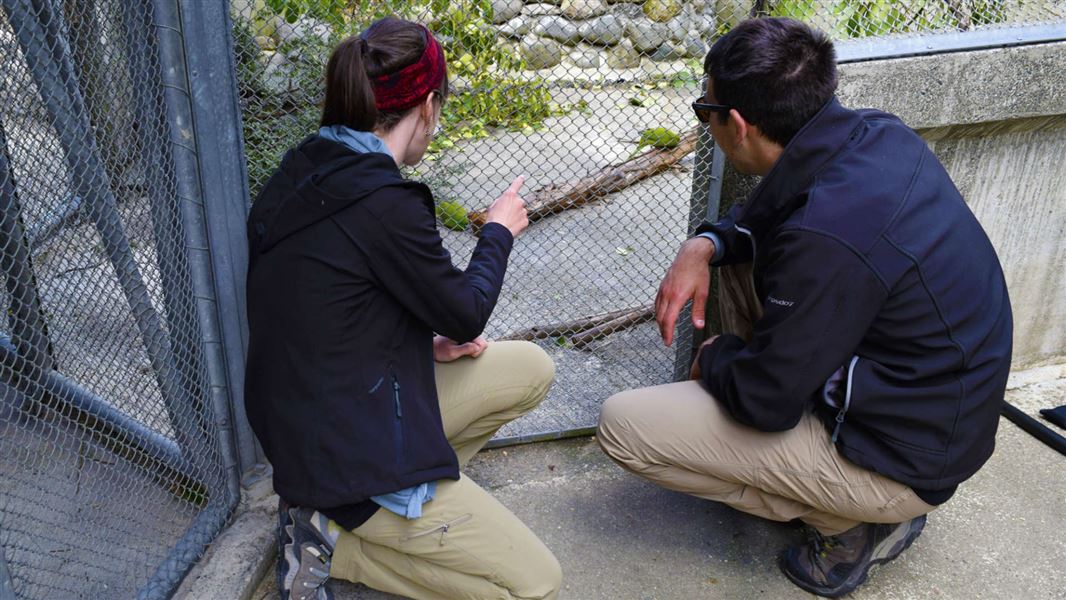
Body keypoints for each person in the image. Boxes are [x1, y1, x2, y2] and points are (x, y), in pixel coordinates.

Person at [597, 17, 1013, 599]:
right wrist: (705, 243)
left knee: (626, 426)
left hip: (904, 455)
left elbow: (765, 402)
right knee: (738, 259)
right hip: (931, 399)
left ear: (737, 125)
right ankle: (831, 483)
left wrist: (719, 358)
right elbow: (764, 215)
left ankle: (851, 526)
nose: (706, 120)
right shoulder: (874, 134)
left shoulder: (828, 237)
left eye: (704, 110)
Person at [244, 17, 562, 600]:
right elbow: (465, 313)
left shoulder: (307, 164)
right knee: (535, 585)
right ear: (427, 104)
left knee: (531, 369)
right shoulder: (384, 201)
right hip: (342, 455)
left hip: (307, 424)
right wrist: (498, 232)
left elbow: (332, 310)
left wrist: (420, 344)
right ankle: (349, 540)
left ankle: (356, 519)